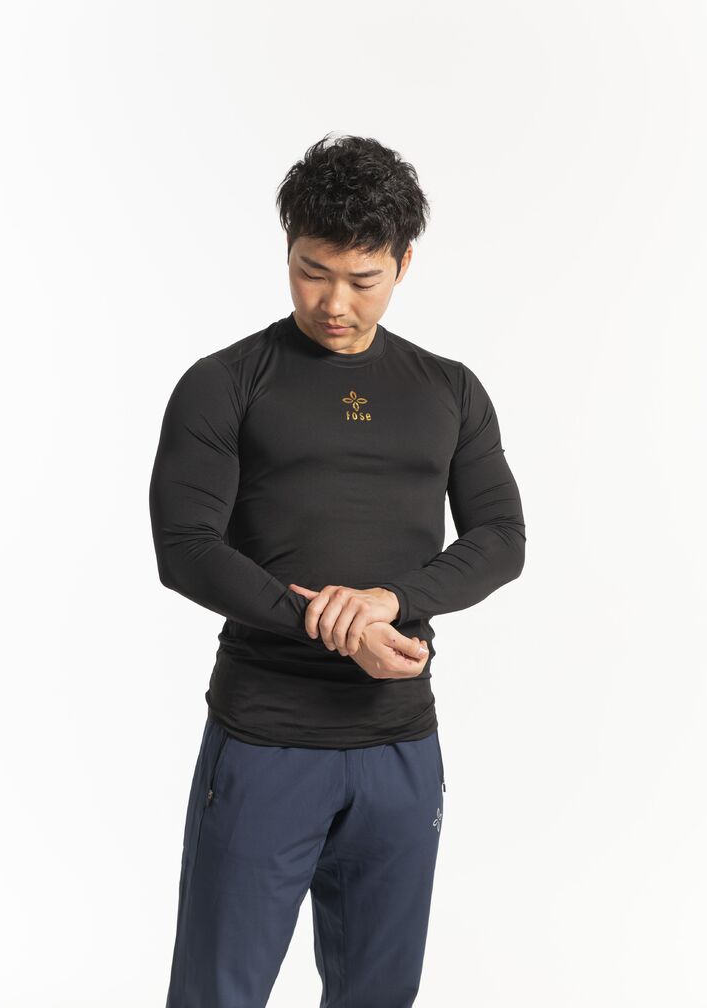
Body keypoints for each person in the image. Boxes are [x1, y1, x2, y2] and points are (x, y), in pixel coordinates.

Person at [149, 132, 526, 1008]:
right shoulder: (225, 381)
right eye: (311, 271)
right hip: (265, 739)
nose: (333, 304)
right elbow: (185, 547)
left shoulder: (448, 389)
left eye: (363, 279)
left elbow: (501, 536)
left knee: (378, 995)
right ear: (288, 250)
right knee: (218, 993)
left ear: (403, 263)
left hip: (400, 742)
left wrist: (391, 600)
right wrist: (326, 623)